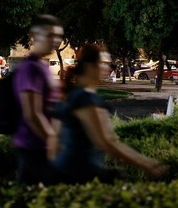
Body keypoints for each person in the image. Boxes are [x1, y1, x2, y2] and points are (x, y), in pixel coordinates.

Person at [50, 44, 168, 185]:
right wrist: (147, 165)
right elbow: (107, 142)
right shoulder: (85, 98)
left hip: (65, 172)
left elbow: (55, 138)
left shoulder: (72, 95)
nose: (108, 67)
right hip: (80, 176)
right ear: (89, 66)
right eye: (103, 63)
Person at [12, 14, 64, 185]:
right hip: (33, 148)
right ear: (34, 36)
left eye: (58, 36)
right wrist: (52, 142)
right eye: (50, 35)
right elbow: (32, 114)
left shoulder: (42, 67)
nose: (55, 40)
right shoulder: (30, 69)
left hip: (40, 147)